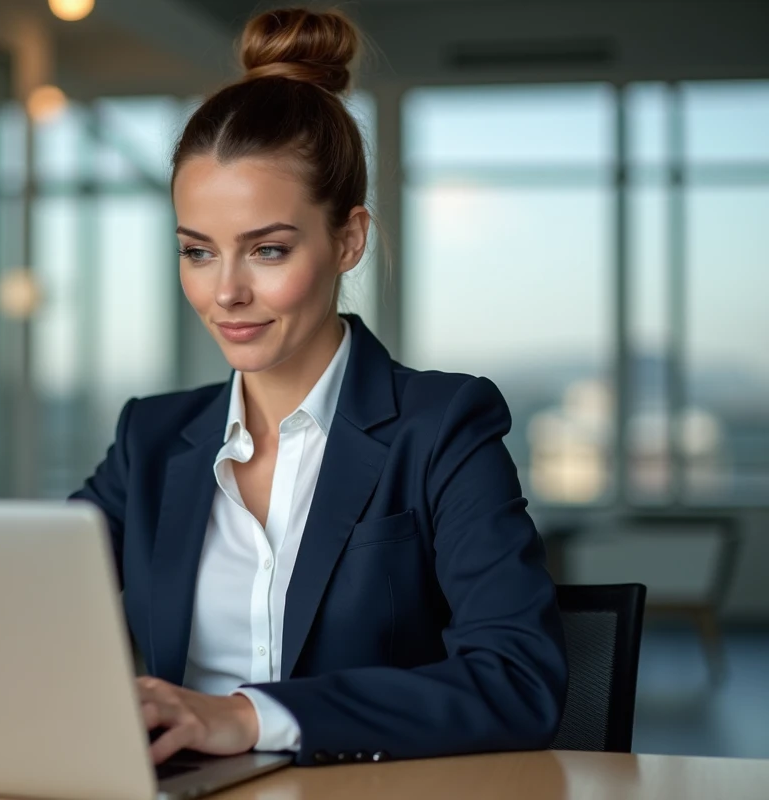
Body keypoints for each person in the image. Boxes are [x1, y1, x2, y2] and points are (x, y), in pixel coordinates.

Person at [71, 6, 567, 767]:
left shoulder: (442, 428)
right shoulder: (150, 440)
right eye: (198, 252)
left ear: (349, 239)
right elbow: (20, 599)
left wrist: (248, 717)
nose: (225, 292)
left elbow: (517, 682)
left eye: (266, 250)